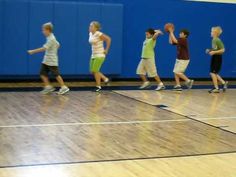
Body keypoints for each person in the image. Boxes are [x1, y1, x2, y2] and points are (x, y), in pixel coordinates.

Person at [28, 22, 69, 95]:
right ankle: (48, 87)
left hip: (52, 61)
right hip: (46, 60)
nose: (42, 32)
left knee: (56, 74)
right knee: (42, 73)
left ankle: (64, 87)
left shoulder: (51, 39)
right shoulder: (50, 37)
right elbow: (58, 44)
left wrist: (33, 51)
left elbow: (44, 48)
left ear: (48, 30)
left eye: (43, 30)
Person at [89, 21, 111, 92]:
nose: (90, 27)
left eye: (91, 26)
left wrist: (106, 49)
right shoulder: (90, 34)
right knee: (92, 71)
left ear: (96, 28)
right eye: (90, 26)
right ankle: (105, 79)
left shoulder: (99, 34)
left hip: (100, 54)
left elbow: (108, 39)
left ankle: (98, 86)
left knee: (95, 70)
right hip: (93, 55)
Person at [206, 26, 228, 93]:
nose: (211, 32)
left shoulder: (217, 40)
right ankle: (223, 83)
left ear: (215, 33)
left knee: (213, 73)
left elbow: (223, 50)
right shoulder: (213, 40)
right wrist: (210, 50)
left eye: (212, 31)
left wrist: (214, 52)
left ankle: (216, 88)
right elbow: (216, 49)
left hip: (217, 58)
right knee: (213, 73)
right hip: (214, 57)